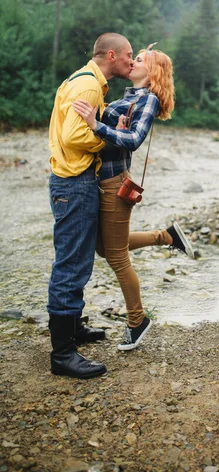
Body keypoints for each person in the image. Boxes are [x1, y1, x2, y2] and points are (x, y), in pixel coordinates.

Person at [72, 45, 194, 351]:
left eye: (139, 60)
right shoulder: (128, 96)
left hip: (116, 184)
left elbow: (135, 140)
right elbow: (119, 135)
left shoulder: (148, 98)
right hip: (106, 178)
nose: (133, 62)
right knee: (105, 247)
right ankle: (165, 236)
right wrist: (110, 126)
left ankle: (138, 322)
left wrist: (95, 124)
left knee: (116, 256)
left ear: (151, 71)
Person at [48, 32, 134, 379]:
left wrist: (107, 124)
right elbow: (74, 136)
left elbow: (75, 130)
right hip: (75, 181)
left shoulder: (83, 79)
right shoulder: (88, 87)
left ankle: (73, 330)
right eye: (128, 54)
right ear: (111, 55)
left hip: (71, 179)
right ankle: (63, 354)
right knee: (71, 264)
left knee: (79, 259)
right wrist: (105, 134)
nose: (132, 60)